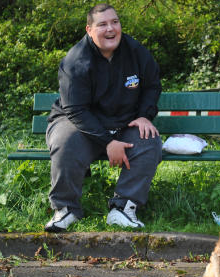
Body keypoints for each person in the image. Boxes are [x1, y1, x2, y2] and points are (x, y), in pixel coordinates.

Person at [44, 3, 162, 232]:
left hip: (122, 123)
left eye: (115, 22)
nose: (111, 29)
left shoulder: (135, 50)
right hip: (77, 122)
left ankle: (123, 207)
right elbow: (76, 110)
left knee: (150, 140)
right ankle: (65, 209)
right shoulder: (75, 61)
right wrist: (108, 143)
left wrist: (145, 116)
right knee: (64, 141)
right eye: (103, 24)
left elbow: (152, 84)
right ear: (89, 30)